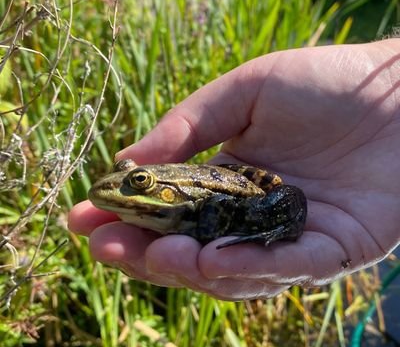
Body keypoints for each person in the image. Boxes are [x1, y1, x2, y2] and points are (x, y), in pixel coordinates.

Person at [68, 39, 400, 300]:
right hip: (225, 179)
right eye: (130, 176)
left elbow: (215, 203)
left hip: (246, 196)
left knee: (256, 210)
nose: (120, 187)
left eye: (138, 181)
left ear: (162, 188)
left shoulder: (189, 201)